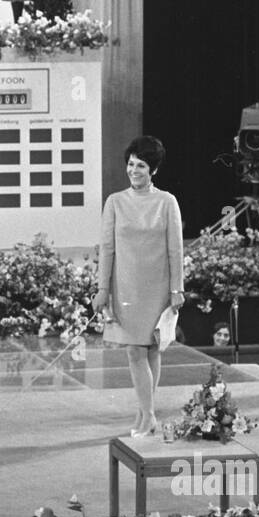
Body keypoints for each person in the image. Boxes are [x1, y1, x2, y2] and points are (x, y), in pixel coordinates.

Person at [92, 135, 184, 437]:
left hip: (157, 289)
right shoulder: (115, 202)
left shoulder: (167, 202)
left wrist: (176, 289)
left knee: (152, 350)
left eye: (141, 165)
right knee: (135, 351)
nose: (134, 170)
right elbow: (106, 249)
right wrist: (102, 289)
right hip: (125, 288)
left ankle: (146, 412)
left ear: (153, 169)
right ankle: (147, 413)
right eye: (130, 164)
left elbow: (175, 249)